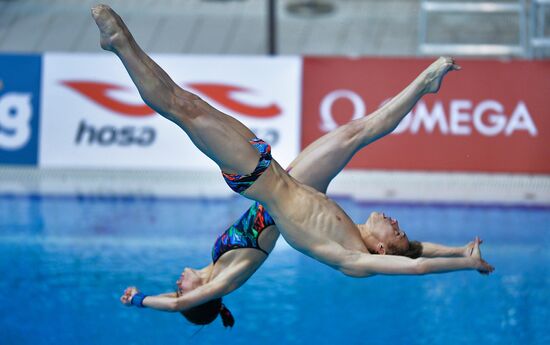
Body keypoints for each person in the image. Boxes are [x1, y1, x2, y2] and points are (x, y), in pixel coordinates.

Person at [90, 4, 494, 327]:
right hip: (280, 175)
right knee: (358, 130)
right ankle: (426, 82)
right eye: (179, 290)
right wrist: (462, 252)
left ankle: (121, 44)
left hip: (254, 174)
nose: (179, 285)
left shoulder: (234, 275)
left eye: (177, 290)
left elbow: (417, 266)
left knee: (184, 107)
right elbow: (416, 257)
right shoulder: (354, 244)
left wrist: (143, 300)